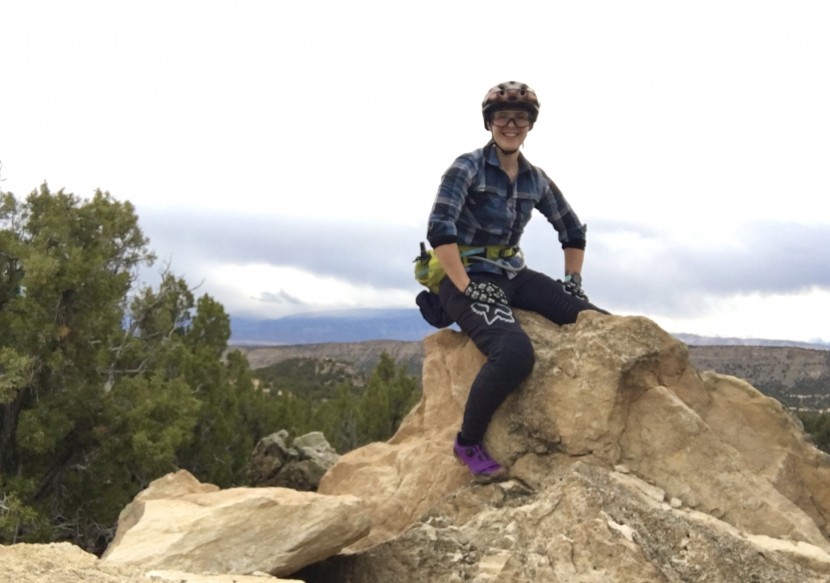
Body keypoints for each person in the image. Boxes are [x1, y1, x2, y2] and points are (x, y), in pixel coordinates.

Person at [418, 80, 607, 480]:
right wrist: (466, 286)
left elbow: (572, 230)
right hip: (464, 274)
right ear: (489, 122)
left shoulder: (534, 179)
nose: (510, 125)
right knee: (514, 353)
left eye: (519, 118)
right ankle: (468, 442)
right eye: (502, 117)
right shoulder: (467, 167)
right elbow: (440, 229)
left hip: (511, 273)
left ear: (530, 125)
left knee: (594, 321)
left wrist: (573, 280)